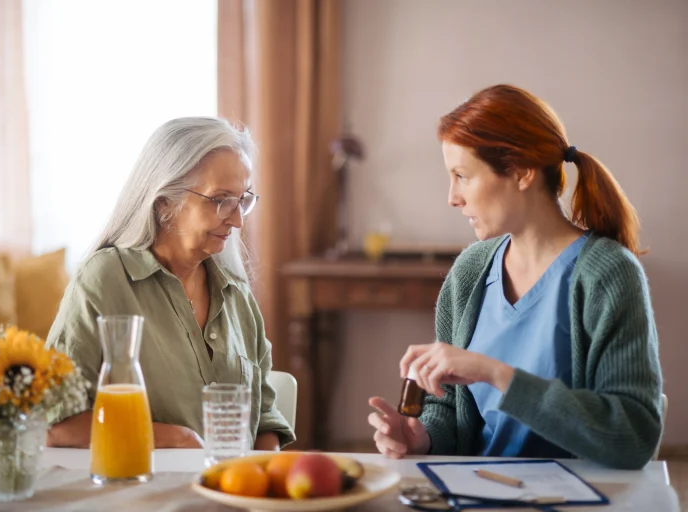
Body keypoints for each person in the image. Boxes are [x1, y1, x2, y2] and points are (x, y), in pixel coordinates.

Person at [367, 85, 663, 470]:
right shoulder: (469, 271)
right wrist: (423, 439)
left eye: (462, 176)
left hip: (582, 494)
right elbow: (448, 409)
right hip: (478, 488)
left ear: (522, 172)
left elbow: (633, 436)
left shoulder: (608, 275)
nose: (453, 197)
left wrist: (495, 373)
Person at [45, 117, 294, 450]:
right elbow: (58, 424)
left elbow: (264, 418)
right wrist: (173, 438)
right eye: (221, 200)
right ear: (164, 202)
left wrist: (263, 475)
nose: (236, 220)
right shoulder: (104, 280)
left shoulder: (236, 291)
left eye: (242, 200)